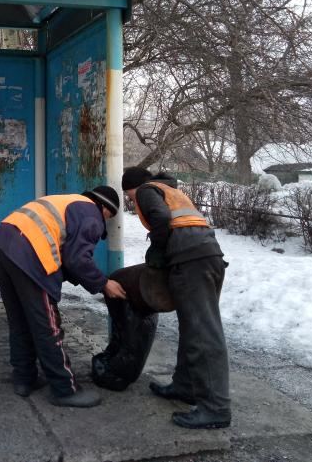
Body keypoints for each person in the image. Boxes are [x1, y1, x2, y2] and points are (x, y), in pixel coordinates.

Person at [0, 186, 127, 408]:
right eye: (108, 217)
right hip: (30, 253)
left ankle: (24, 378)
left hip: (3, 245)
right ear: (104, 208)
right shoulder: (91, 213)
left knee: (20, 320)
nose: (104, 223)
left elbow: (68, 255)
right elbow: (78, 259)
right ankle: (64, 389)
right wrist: (103, 283)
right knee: (47, 325)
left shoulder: (67, 201)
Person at [122, 166, 231, 429]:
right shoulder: (170, 190)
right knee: (192, 328)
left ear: (134, 187)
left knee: (204, 334)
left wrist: (157, 250)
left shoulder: (147, 191)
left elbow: (160, 219)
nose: (131, 200)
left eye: (129, 195)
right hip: (205, 257)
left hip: (192, 262)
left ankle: (216, 409)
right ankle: (185, 386)